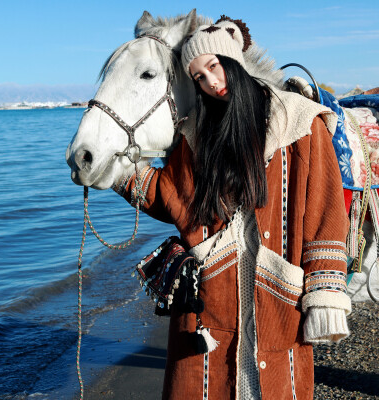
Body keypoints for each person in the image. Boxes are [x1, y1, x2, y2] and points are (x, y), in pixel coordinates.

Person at [114, 16, 351, 400]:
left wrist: (324, 290)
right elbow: (170, 196)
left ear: (235, 61)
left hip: (278, 292)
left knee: (276, 382)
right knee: (201, 382)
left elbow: (324, 213)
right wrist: (117, 171)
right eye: (198, 78)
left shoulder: (301, 123)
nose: (210, 82)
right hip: (208, 295)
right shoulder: (198, 134)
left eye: (213, 66)